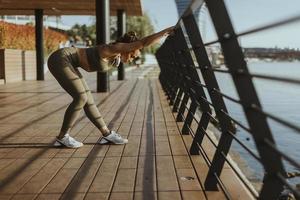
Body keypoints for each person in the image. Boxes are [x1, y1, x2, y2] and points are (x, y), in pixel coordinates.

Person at [47, 26, 174, 148]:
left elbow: (138, 46)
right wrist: (165, 32)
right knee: (81, 98)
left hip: (70, 62)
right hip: (61, 59)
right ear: (127, 48)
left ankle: (107, 135)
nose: (132, 59)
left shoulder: (116, 56)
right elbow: (144, 42)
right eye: (133, 55)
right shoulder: (113, 48)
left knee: (89, 101)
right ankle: (62, 137)